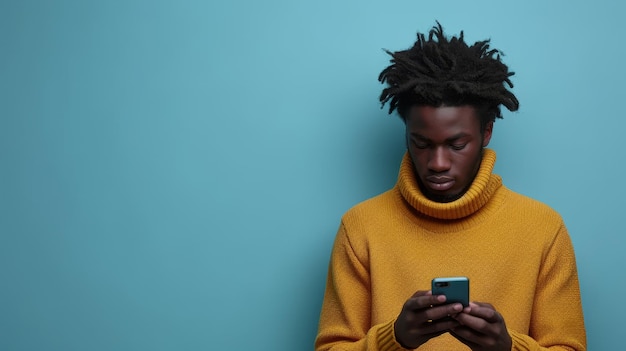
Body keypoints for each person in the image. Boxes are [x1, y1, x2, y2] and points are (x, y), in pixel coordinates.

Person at [314, 23, 586, 351]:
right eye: (422, 143)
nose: (438, 162)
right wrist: (394, 339)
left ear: (486, 133)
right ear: (406, 136)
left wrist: (507, 348)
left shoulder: (543, 229)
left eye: (457, 144)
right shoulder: (360, 227)